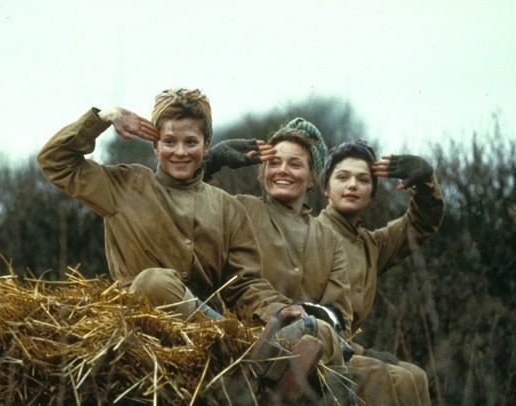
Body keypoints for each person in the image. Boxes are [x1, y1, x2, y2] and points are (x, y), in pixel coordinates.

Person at [37, 88, 326, 401]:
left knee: (308, 329)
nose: (180, 152)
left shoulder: (227, 207)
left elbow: (245, 285)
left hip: (205, 335)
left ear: (206, 147)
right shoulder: (125, 185)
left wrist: (282, 311)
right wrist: (104, 117)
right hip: (141, 322)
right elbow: (54, 161)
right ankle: (247, 352)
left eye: (191, 142)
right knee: (154, 281)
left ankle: (263, 357)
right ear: (155, 144)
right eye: (170, 141)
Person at [203, 118, 408, 405]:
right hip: (252, 341)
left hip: (318, 347)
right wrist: (211, 163)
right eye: (273, 163)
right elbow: (191, 198)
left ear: (313, 177)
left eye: (295, 164)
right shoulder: (240, 209)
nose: (282, 171)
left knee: (388, 375)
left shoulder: (328, 238)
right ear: (262, 173)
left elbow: (339, 313)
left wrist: (308, 316)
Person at [317, 139, 445, 405]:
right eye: (342, 177)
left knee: (416, 376)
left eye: (363, 180)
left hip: (350, 351)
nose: (353, 185)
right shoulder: (311, 232)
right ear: (325, 188)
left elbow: (421, 223)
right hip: (320, 350)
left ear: (372, 193)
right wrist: (360, 351)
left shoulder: (371, 244)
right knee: (397, 378)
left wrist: (425, 181)